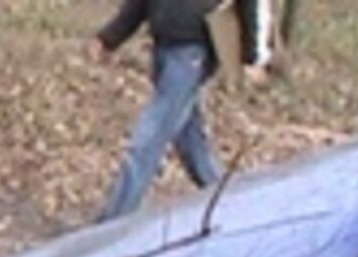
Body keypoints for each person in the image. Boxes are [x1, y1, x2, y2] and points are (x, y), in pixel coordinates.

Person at [93, 0, 281, 221]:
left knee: (150, 137)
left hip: (193, 51)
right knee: (191, 141)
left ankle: (115, 220)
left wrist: (253, 55)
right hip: (164, 48)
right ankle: (226, 202)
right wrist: (109, 38)